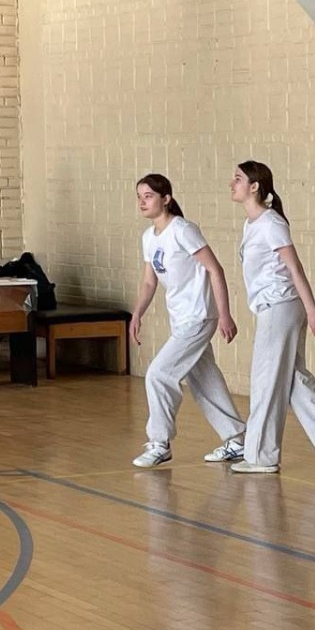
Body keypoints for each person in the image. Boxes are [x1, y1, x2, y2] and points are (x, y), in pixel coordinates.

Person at [230, 160, 315, 474]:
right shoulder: (251, 224)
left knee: (265, 380)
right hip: (273, 307)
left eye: (238, 178)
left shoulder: (271, 223)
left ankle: (261, 456)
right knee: (291, 380)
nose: (232, 183)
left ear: (254, 186)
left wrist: (312, 311)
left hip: (281, 306)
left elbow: (295, 268)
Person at [129, 173, 248, 469]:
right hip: (181, 319)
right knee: (204, 379)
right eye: (139, 196)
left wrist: (224, 314)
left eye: (148, 196)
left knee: (158, 374)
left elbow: (215, 269)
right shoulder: (149, 238)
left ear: (166, 199)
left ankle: (160, 442)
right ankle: (237, 440)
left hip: (199, 315)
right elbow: (149, 282)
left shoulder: (182, 230)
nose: (142, 201)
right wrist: (137, 313)